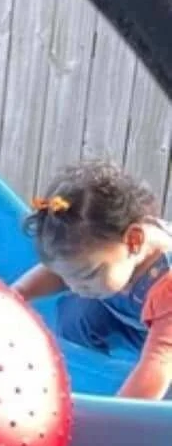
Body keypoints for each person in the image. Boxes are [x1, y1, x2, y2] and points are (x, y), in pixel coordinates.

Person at [14, 162, 172, 401]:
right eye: (68, 277)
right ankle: (92, 372)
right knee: (76, 312)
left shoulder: (166, 283)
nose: (75, 286)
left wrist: (119, 418)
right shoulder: (107, 248)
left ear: (134, 242)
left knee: (160, 383)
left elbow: (160, 360)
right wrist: (17, 293)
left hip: (165, 336)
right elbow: (60, 270)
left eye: (88, 275)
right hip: (133, 315)